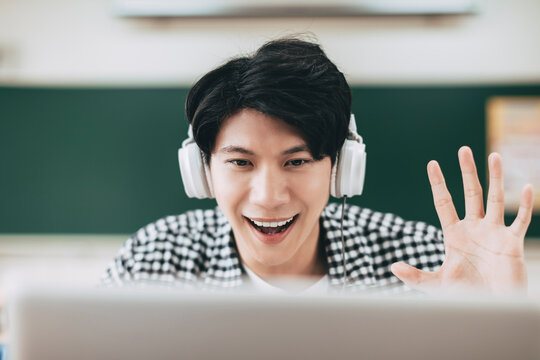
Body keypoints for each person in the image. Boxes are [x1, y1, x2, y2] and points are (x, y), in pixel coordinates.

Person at [102, 37, 534, 295]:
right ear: (202, 172)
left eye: (297, 161)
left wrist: (502, 327)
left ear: (341, 168)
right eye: (240, 162)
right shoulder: (154, 261)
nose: (269, 195)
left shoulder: (430, 262)